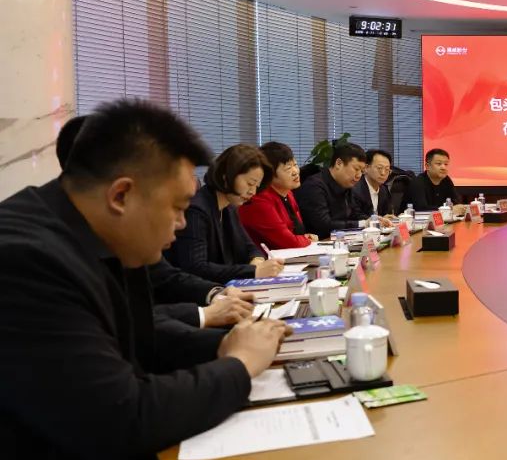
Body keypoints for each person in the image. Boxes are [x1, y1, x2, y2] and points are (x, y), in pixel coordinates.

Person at [0, 100, 289, 460]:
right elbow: (122, 419)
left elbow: (144, 337)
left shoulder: (99, 234)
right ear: (121, 195)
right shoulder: (25, 259)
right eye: (177, 208)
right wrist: (238, 365)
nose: (182, 224)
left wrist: (244, 344)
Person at [56, 115, 254, 328]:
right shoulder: (48, 249)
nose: (181, 222)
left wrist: (216, 293)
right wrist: (206, 317)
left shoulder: (115, 221)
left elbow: (165, 276)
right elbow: (121, 321)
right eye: (175, 206)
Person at [165, 145, 284, 283]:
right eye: (250, 183)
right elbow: (196, 267)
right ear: (226, 177)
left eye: (256, 186)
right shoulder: (196, 210)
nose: (253, 192)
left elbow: (250, 247)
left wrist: (257, 261)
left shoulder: (229, 208)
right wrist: (253, 271)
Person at [239, 141, 319, 250]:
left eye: (295, 165)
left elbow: (296, 233)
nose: (295, 172)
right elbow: (288, 242)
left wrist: (303, 238)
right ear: (269, 174)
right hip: (265, 258)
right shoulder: (259, 200)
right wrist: (305, 240)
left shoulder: (288, 193)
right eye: (288, 168)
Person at [294, 141, 368, 239]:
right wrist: (362, 223)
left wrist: (372, 221)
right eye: (356, 169)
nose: (359, 175)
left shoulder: (346, 184)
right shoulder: (314, 186)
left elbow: (355, 214)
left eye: (362, 171)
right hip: (318, 243)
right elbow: (324, 225)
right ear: (338, 163)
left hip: (340, 240)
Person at [407, 147, 467, 216]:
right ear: (427, 166)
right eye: (439, 164)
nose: (443, 167)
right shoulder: (418, 183)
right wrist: (450, 210)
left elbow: (456, 202)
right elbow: (421, 209)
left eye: (446, 164)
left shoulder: (446, 180)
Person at [356, 148, 394, 224]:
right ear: (366, 168)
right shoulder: (355, 189)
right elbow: (356, 217)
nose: (383, 173)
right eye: (379, 168)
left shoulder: (384, 190)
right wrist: (379, 220)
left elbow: (387, 214)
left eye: (387, 169)